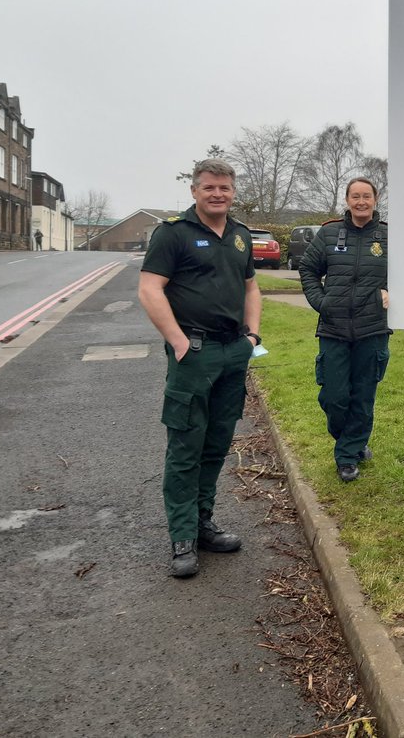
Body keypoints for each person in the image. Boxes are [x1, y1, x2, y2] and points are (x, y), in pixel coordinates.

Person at [138, 159, 262, 577]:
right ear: (195, 191)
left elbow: (251, 288)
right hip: (194, 352)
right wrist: (177, 341)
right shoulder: (173, 234)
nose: (217, 194)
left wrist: (253, 337)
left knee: (216, 442)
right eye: (209, 187)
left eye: (224, 188)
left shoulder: (241, 236)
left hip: (233, 352)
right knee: (186, 446)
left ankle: (204, 522)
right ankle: (183, 537)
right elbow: (150, 288)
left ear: (232, 191)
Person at [298, 177, 390, 483]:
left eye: (367, 196)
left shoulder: (390, 236)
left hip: (372, 329)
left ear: (376, 199)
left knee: (363, 396)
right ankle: (353, 440)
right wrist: (321, 301)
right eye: (355, 196)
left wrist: (391, 292)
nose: (361, 201)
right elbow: (308, 270)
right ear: (347, 200)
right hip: (333, 328)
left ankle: (347, 456)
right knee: (334, 397)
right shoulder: (328, 233)